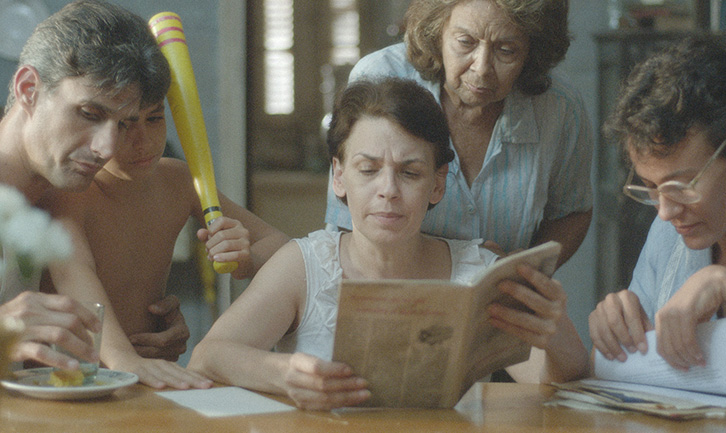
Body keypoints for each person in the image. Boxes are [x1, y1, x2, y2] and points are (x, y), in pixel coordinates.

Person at [188, 77, 587, 410]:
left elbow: (553, 382)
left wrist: (555, 329)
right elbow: (208, 356)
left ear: (437, 183)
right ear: (339, 176)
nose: (388, 190)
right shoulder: (304, 265)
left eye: (410, 173)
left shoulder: (480, 272)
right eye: (368, 169)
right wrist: (283, 374)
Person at [40, 96, 290, 388]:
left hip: (144, 378)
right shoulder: (70, 190)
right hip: (64, 381)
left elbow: (284, 249)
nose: (143, 141)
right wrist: (124, 359)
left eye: (154, 118)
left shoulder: (178, 181)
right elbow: (73, 273)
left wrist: (248, 261)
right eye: (124, 125)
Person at [324, 0, 593, 268]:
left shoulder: (559, 107)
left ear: (532, 51)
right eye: (465, 42)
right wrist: (466, 261)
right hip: (388, 283)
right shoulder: (380, 78)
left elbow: (571, 212)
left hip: (502, 292)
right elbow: (346, 223)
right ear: (437, 32)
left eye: (506, 50)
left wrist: (526, 270)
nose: (482, 68)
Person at [0, 0, 185, 373]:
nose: (106, 148)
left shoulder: (69, 200)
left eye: (123, 123)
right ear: (28, 88)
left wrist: (146, 327)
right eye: (89, 114)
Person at [589, 38, 726, 372]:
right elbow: (632, 371)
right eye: (651, 187)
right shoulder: (668, 234)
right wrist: (616, 332)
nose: (665, 212)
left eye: (682, 186)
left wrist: (725, 283)